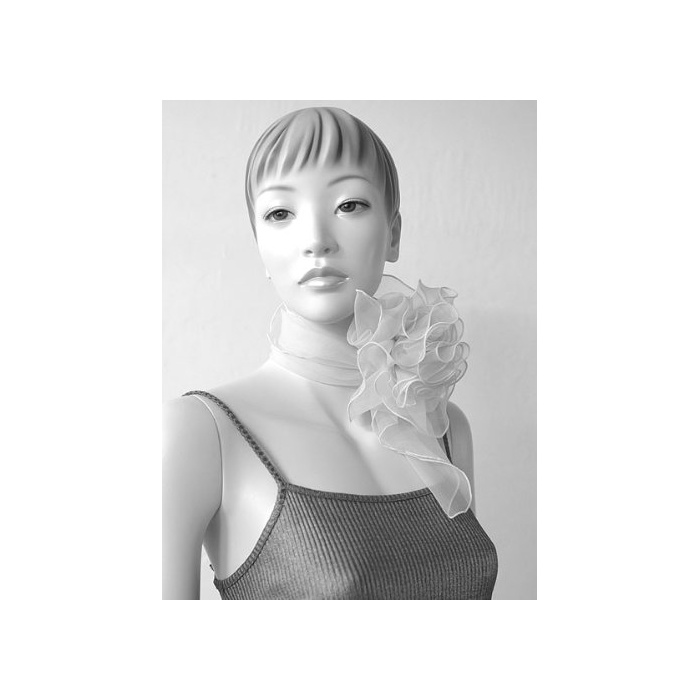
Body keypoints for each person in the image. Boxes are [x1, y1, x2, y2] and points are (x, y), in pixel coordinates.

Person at [162, 106, 498, 600]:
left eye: (349, 205)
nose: (317, 240)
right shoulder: (199, 433)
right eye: (280, 213)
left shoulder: (445, 426)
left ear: (394, 234)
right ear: (258, 244)